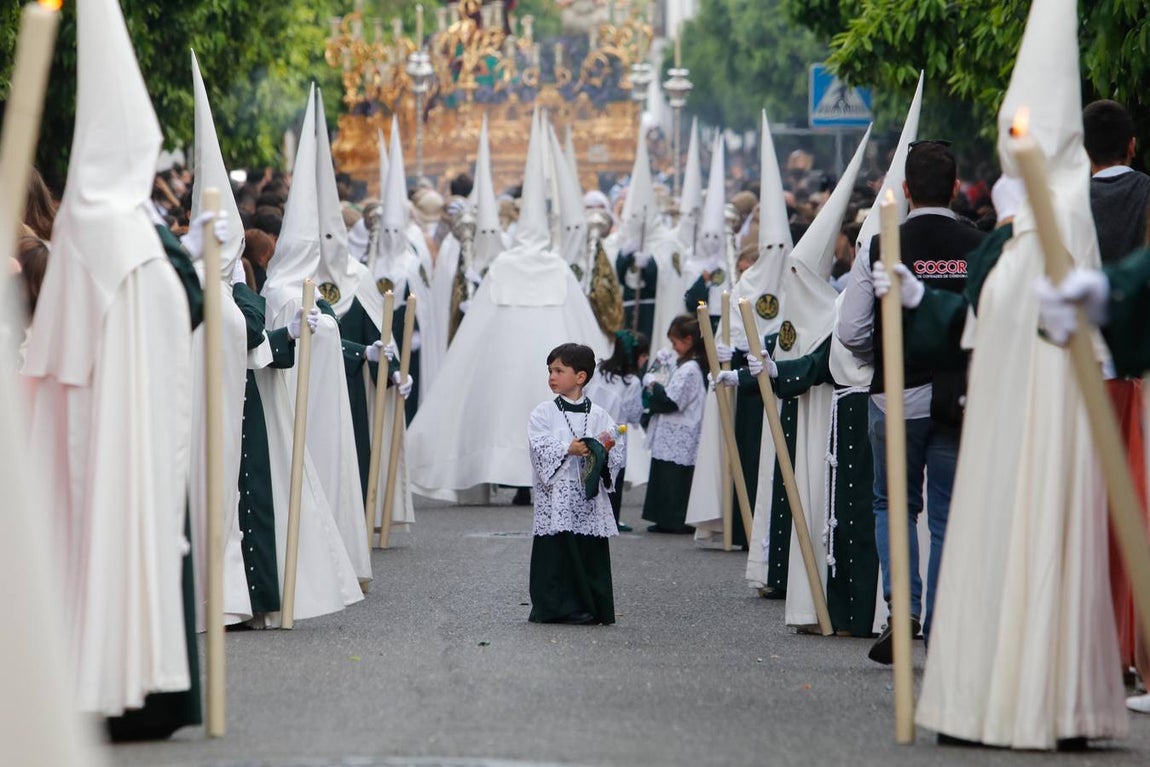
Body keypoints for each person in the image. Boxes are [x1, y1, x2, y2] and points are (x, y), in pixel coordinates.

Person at [838, 138, 984, 659]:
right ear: (955, 187)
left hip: (896, 393)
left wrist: (879, 350)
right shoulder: (979, 244)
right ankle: (942, 620)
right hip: (959, 393)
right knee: (946, 513)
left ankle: (904, 611)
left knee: (893, 504)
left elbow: (851, 330)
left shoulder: (883, 245)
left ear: (905, 189)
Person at [1082, 98, 1150, 685]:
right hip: (1137, 373)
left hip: (1083, 371)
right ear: (1132, 145)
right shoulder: (1147, 194)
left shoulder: (1068, 202)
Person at [528, 343, 624, 625]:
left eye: (559, 371)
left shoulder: (599, 415)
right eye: (550, 371)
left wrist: (600, 450)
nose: (552, 377)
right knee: (556, 553)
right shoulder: (544, 412)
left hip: (587, 497)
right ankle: (553, 607)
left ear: (580, 376)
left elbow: (616, 449)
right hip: (557, 497)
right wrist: (566, 448)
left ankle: (590, 606)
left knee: (587, 552)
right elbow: (538, 444)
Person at [640, 315, 707, 533]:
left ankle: (675, 521)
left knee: (675, 478)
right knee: (664, 474)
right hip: (670, 429)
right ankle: (662, 518)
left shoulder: (691, 369)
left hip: (681, 431)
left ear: (688, 341)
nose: (673, 347)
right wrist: (661, 367)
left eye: (675, 342)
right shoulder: (683, 364)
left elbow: (671, 401)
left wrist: (653, 384)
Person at [584, 330, 649, 531]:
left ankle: (587, 517)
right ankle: (610, 519)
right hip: (614, 437)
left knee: (589, 473)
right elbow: (634, 415)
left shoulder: (599, 370)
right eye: (644, 355)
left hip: (590, 429)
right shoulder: (632, 382)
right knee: (612, 480)